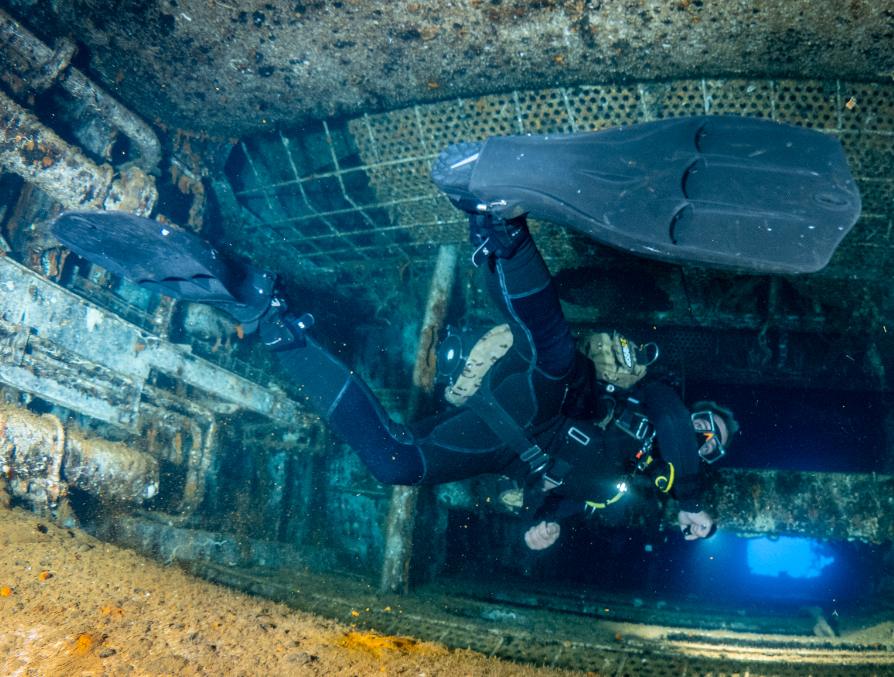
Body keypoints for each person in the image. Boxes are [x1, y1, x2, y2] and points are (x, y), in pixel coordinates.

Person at [257, 208, 737, 548]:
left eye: (710, 445)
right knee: (552, 352)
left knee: (396, 465)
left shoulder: (632, 481)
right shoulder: (659, 408)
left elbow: (564, 497)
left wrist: (539, 525)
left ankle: (275, 327)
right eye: (706, 425)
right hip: (551, 404)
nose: (700, 439)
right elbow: (674, 419)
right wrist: (691, 499)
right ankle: (502, 229)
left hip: (506, 445)